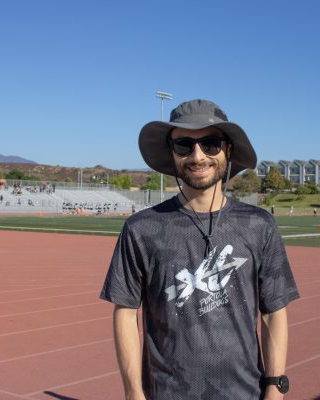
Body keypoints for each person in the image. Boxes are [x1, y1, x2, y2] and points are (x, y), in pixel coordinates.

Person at [100, 99, 299, 400]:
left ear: (227, 150)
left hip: (244, 394)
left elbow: (273, 312)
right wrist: (133, 393)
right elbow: (126, 312)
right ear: (172, 152)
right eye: (184, 145)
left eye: (210, 143)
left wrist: (275, 388)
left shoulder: (259, 225)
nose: (198, 156)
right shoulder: (141, 229)